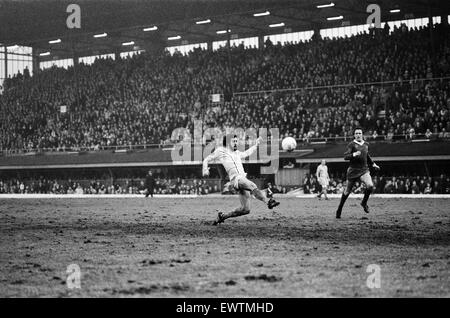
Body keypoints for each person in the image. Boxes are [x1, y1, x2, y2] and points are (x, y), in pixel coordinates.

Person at [202, 134, 280, 225]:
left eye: (236, 141)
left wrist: (256, 145)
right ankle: (268, 202)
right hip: (236, 179)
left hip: (242, 179)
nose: (236, 143)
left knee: (245, 210)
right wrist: (205, 169)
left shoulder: (236, 152)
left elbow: (246, 153)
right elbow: (206, 159)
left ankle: (223, 216)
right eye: (234, 141)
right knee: (252, 186)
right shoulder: (220, 151)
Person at [335, 128, 380, 218]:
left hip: (364, 170)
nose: (358, 134)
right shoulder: (351, 145)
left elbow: (367, 155)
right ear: (354, 135)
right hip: (353, 171)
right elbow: (345, 157)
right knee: (347, 191)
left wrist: (373, 164)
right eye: (356, 133)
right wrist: (354, 154)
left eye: (360, 133)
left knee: (370, 186)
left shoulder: (366, 144)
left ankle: (364, 203)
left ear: (362, 134)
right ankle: (339, 209)